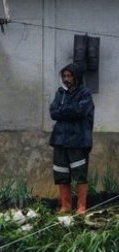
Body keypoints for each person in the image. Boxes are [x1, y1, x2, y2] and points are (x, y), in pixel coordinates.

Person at [49, 62, 94, 215]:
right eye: (64, 76)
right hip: (60, 140)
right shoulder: (60, 94)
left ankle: (81, 207)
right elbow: (53, 112)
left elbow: (80, 111)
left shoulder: (85, 94)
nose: (66, 79)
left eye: (69, 76)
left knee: (80, 174)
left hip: (78, 141)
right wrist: (67, 111)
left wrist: (64, 111)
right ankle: (66, 206)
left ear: (76, 77)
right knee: (61, 174)